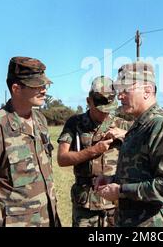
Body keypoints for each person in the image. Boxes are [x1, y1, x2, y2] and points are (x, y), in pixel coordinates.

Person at [0, 56, 60, 227]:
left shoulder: (40, 121)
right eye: (36, 85)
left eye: (44, 85)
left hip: (49, 219)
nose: (44, 90)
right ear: (16, 88)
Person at [95, 61, 163, 227]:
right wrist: (113, 180)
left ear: (147, 91)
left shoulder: (160, 125)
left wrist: (121, 191)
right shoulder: (139, 125)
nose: (120, 96)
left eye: (125, 90)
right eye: (119, 91)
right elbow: (139, 173)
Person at [57, 76, 131, 227]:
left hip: (114, 201)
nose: (105, 114)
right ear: (88, 101)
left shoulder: (122, 124)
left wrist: (125, 135)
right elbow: (62, 158)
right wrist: (93, 150)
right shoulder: (75, 123)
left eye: (109, 110)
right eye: (100, 110)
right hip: (85, 202)